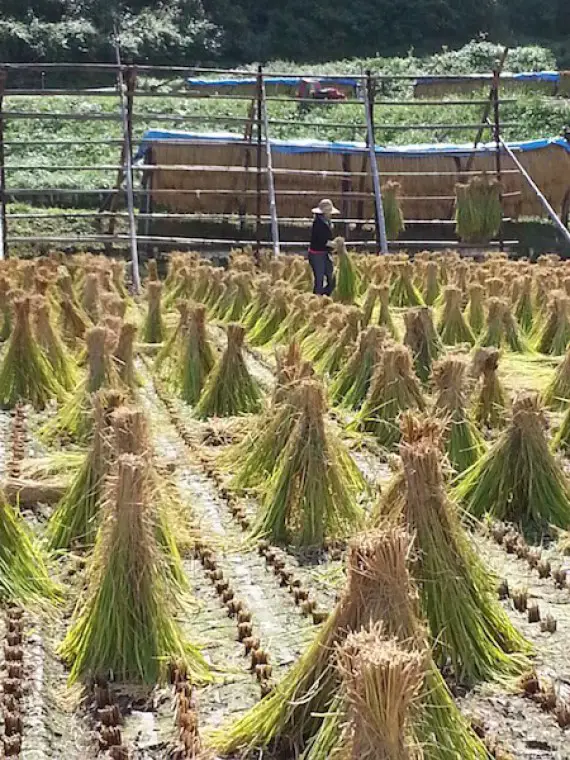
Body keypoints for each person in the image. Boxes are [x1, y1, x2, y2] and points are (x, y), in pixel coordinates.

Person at [308, 198, 339, 296]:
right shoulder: (317, 224)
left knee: (332, 277)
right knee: (319, 279)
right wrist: (334, 245)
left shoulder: (328, 222)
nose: (330, 214)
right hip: (317, 255)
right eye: (329, 212)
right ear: (324, 213)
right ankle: (316, 300)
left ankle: (325, 296)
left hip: (325, 254)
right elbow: (322, 241)